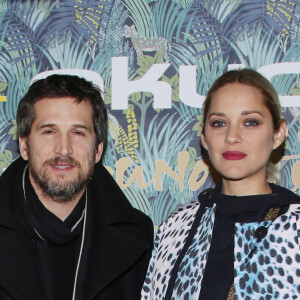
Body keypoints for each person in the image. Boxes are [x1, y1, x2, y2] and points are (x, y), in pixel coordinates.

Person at [141, 69, 300, 299]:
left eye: (250, 122)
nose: (232, 136)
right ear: (204, 137)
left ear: (278, 133)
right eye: (219, 123)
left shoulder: (295, 228)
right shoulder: (177, 226)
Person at [0, 74, 153, 299]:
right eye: (49, 132)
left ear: (98, 150)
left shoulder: (136, 237)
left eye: (78, 133)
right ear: (24, 146)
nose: (64, 149)